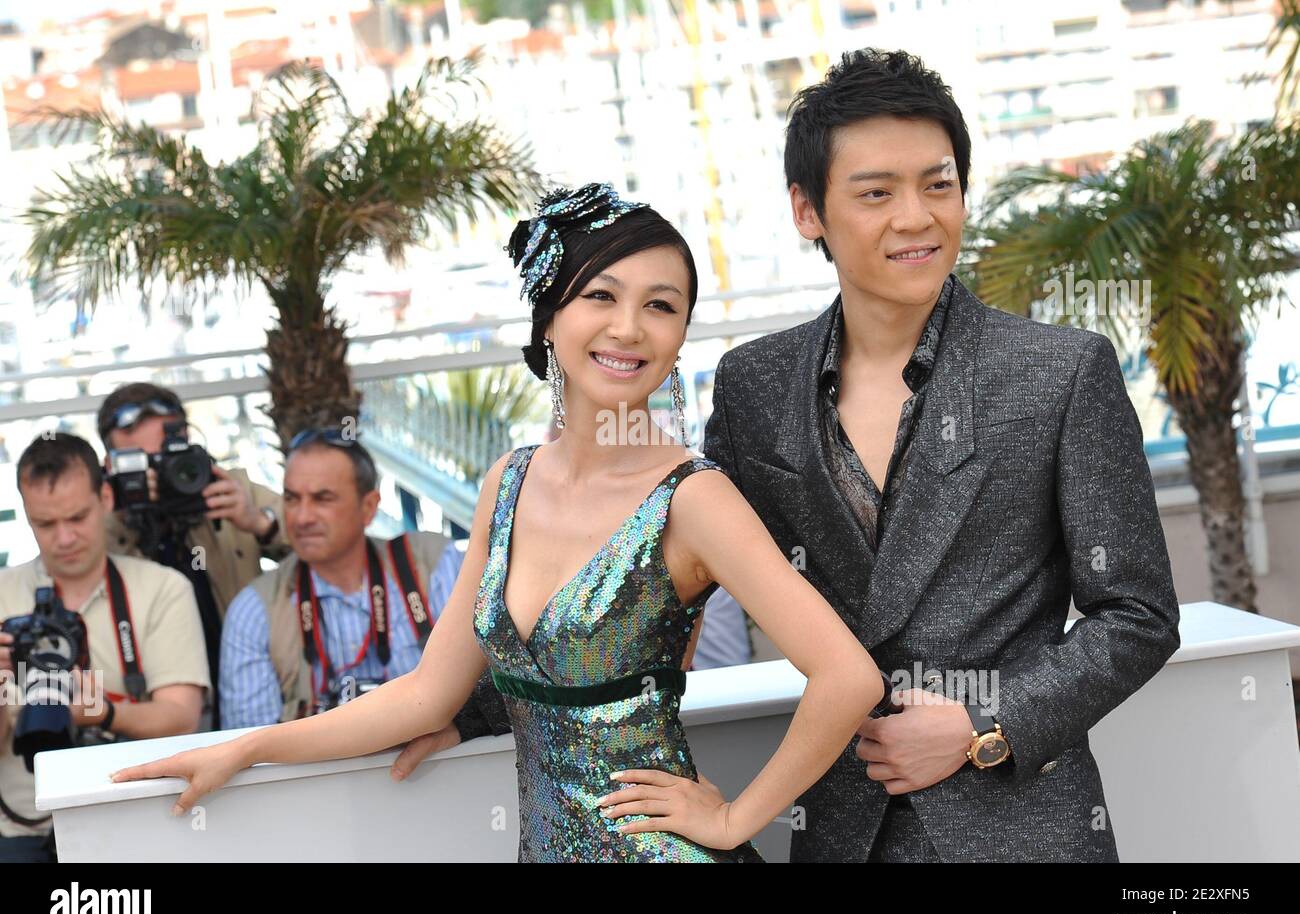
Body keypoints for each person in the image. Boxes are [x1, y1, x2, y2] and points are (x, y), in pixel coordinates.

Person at [111, 183, 889, 863]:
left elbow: (847, 677)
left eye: (661, 305)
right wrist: (246, 747)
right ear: (550, 317)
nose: (628, 328)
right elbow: (423, 696)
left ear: (680, 334)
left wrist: (731, 818)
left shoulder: (692, 497)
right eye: (601, 296)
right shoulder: (507, 484)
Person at [702, 48, 1181, 862]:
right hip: (844, 825)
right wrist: (470, 703)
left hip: (1020, 826)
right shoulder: (755, 384)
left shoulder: (1060, 372)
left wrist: (978, 726)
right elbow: (678, 579)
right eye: (876, 193)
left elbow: (1137, 615)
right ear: (807, 210)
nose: (918, 217)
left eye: (938, 183)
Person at [218, 429, 508, 741]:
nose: (301, 517)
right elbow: (249, 747)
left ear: (369, 507)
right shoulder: (254, 610)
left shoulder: (436, 566)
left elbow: (503, 685)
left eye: (322, 499)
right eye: (291, 499)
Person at [0, 434, 209, 861]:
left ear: (106, 497)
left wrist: (104, 712)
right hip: (21, 826)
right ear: (26, 516)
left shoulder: (162, 589)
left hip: (139, 818)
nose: (64, 538)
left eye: (77, 517)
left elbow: (183, 716)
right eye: (45, 523)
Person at [99, 383, 288, 730]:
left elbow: (326, 537)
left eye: (171, 456)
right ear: (111, 467)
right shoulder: (105, 522)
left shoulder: (227, 489)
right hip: (164, 710)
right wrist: (125, 515)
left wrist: (259, 522)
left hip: (250, 694)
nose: (163, 473)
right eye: (145, 463)